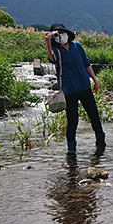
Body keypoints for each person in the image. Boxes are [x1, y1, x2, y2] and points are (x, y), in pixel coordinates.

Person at [45, 23, 105, 154]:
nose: (61, 36)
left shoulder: (77, 46)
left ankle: (101, 144)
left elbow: (86, 63)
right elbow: (51, 59)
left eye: (62, 33)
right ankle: (71, 151)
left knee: (94, 116)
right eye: (57, 34)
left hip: (84, 87)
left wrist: (95, 80)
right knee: (73, 121)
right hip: (69, 91)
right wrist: (48, 43)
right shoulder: (56, 50)